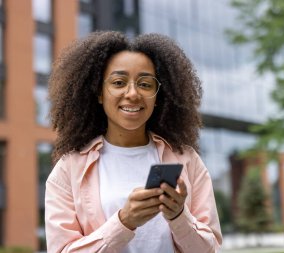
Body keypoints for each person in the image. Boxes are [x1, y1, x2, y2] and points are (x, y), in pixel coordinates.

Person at [45, 31, 222, 253]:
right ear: (99, 93)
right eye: (119, 82)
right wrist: (124, 221)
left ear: (158, 96)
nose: (132, 93)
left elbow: (210, 250)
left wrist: (179, 217)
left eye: (145, 84)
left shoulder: (186, 159)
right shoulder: (68, 169)